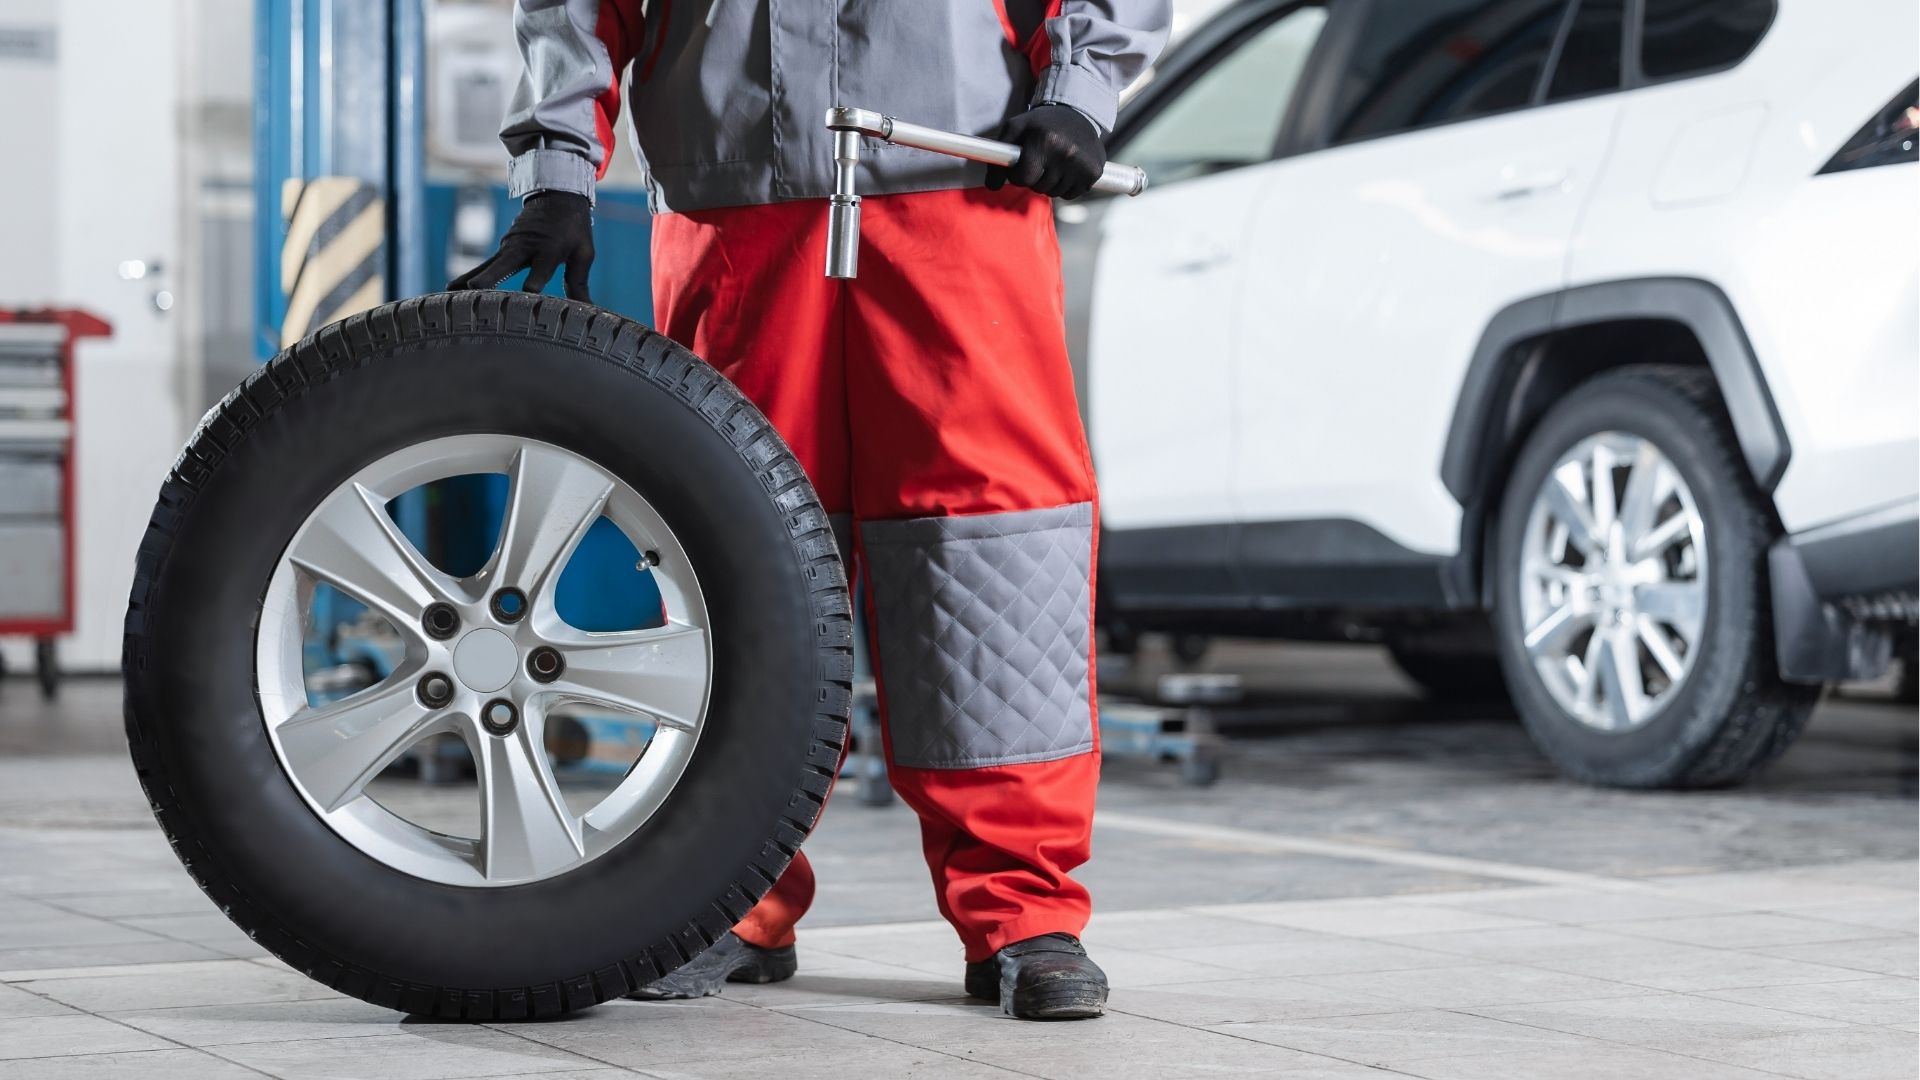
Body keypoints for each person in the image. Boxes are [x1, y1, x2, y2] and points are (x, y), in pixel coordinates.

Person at [452, 0, 1169, 1021]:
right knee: (737, 566)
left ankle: (1024, 914)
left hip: (960, 193)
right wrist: (560, 166)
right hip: (737, 217)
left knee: (996, 558)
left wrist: (1080, 97)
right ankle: (731, 898)